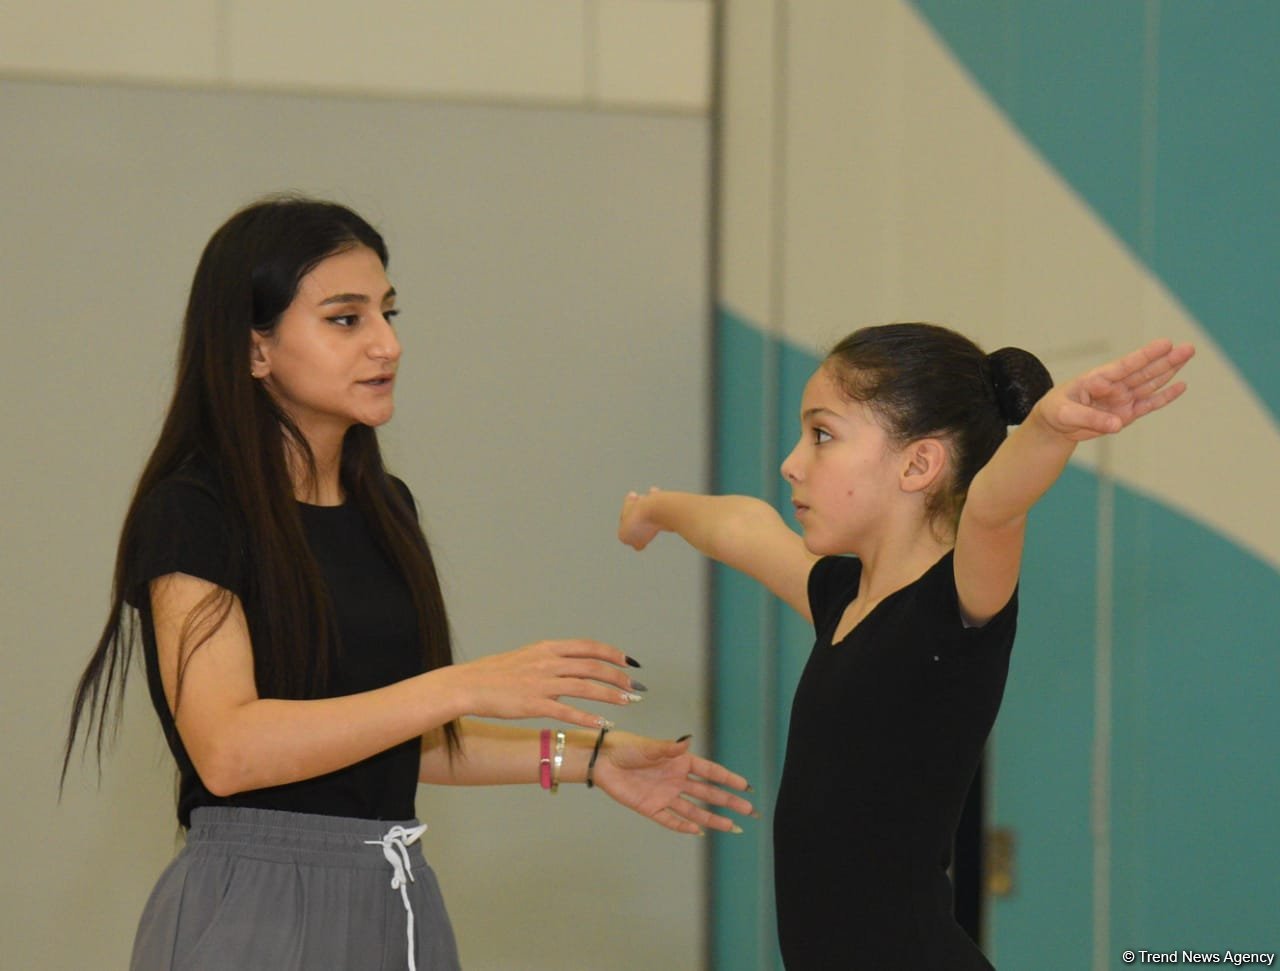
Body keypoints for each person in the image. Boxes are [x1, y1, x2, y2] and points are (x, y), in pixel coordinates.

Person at [61, 195, 755, 971]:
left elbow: (395, 744)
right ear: (255, 350)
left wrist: (587, 755)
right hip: (252, 902)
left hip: (393, 897)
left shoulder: (387, 509)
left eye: (388, 313)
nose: (387, 344)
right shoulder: (193, 511)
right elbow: (227, 749)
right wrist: (461, 686)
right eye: (346, 319)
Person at [617, 322, 1194, 969]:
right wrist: (654, 507)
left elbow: (993, 508)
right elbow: (744, 527)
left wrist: (1049, 432)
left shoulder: (953, 608)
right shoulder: (841, 598)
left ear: (918, 463)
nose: (791, 462)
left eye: (822, 434)